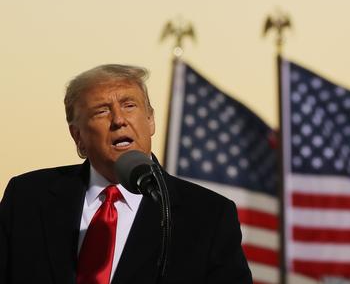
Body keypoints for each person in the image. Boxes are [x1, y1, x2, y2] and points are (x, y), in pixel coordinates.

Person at [0, 64, 252, 284]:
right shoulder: (27, 199)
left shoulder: (207, 216)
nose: (119, 119)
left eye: (129, 105)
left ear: (151, 120)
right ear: (78, 136)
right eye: (101, 111)